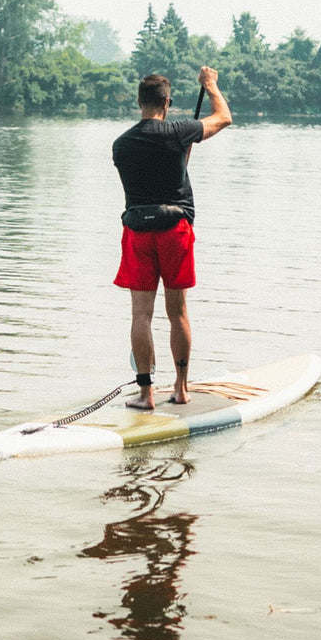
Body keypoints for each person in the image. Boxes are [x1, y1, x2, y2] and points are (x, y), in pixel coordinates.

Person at [112, 67, 232, 410]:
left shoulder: (121, 144)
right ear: (168, 102)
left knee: (140, 315)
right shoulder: (178, 132)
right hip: (174, 230)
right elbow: (223, 117)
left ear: (139, 102)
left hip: (137, 231)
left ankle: (146, 394)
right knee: (177, 312)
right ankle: (180, 389)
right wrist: (210, 85)